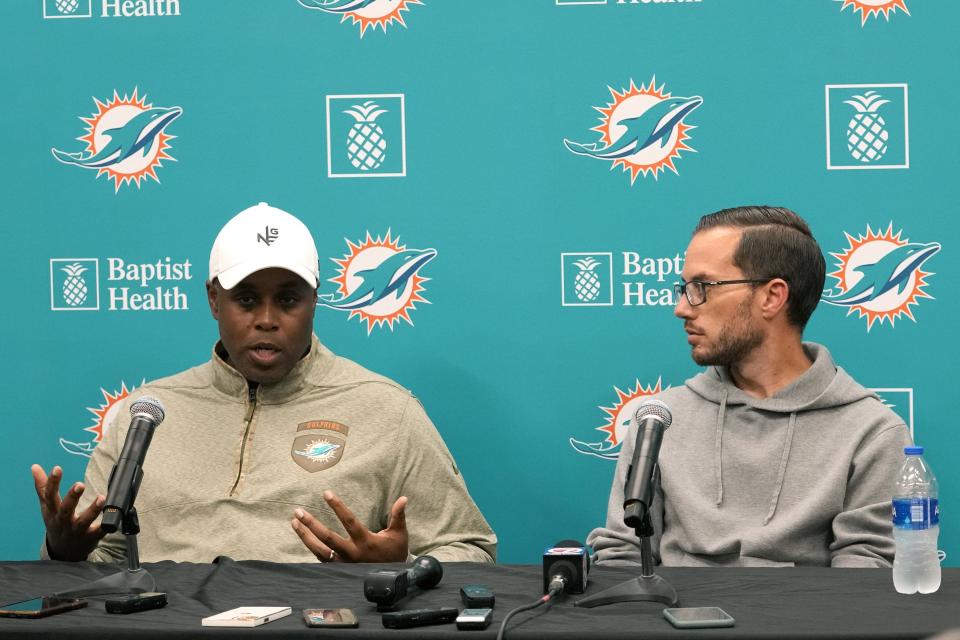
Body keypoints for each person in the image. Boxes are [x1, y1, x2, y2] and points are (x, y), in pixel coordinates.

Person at [32, 202, 496, 564]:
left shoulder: (388, 410)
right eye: (247, 299)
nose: (267, 320)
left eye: (288, 299)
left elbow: (472, 551)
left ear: (316, 301)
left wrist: (402, 567)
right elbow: (105, 562)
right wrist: (62, 553)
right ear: (214, 300)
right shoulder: (145, 414)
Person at [588, 206, 911, 568]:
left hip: (805, 623)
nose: (682, 308)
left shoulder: (872, 432)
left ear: (772, 297)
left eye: (702, 287)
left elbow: (864, 576)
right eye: (684, 288)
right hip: (671, 619)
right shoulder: (660, 420)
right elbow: (624, 556)